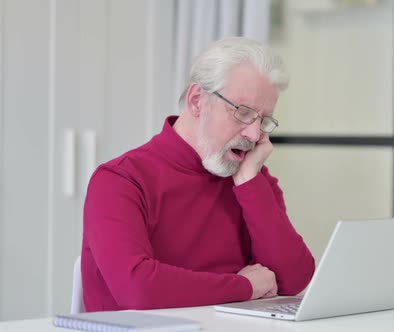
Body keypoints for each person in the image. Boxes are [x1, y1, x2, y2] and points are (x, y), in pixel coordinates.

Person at [81, 37, 315, 312]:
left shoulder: (250, 179)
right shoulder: (120, 180)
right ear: (196, 101)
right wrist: (245, 287)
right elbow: (138, 290)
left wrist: (250, 184)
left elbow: (294, 279)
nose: (254, 134)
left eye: (263, 121)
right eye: (243, 113)